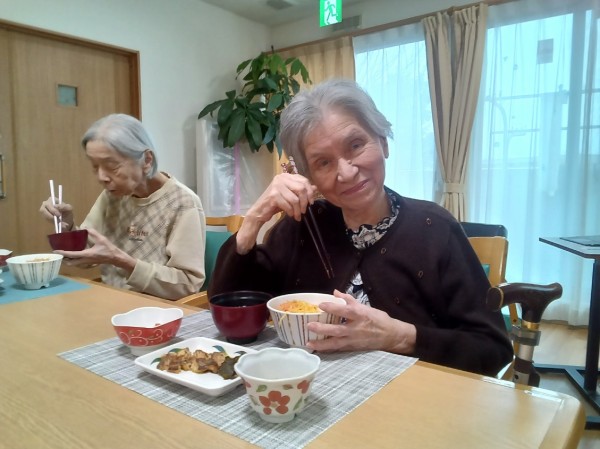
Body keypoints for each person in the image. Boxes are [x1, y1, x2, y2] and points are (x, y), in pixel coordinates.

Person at [209, 79, 513, 376]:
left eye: (355, 145)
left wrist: (400, 336)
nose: (346, 172)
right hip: (309, 390)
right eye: (323, 162)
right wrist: (254, 220)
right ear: (309, 176)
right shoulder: (302, 226)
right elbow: (229, 310)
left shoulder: (435, 229)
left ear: (383, 142)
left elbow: (492, 349)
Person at [40, 113, 206, 300]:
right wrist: (68, 226)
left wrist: (120, 260)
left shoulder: (183, 203)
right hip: (112, 301)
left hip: (157, 310)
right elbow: (86, 257)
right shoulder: (112, 195)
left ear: (147, 160)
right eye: (95, 166)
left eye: (112, 166)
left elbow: (187, 285)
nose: (101, 177)